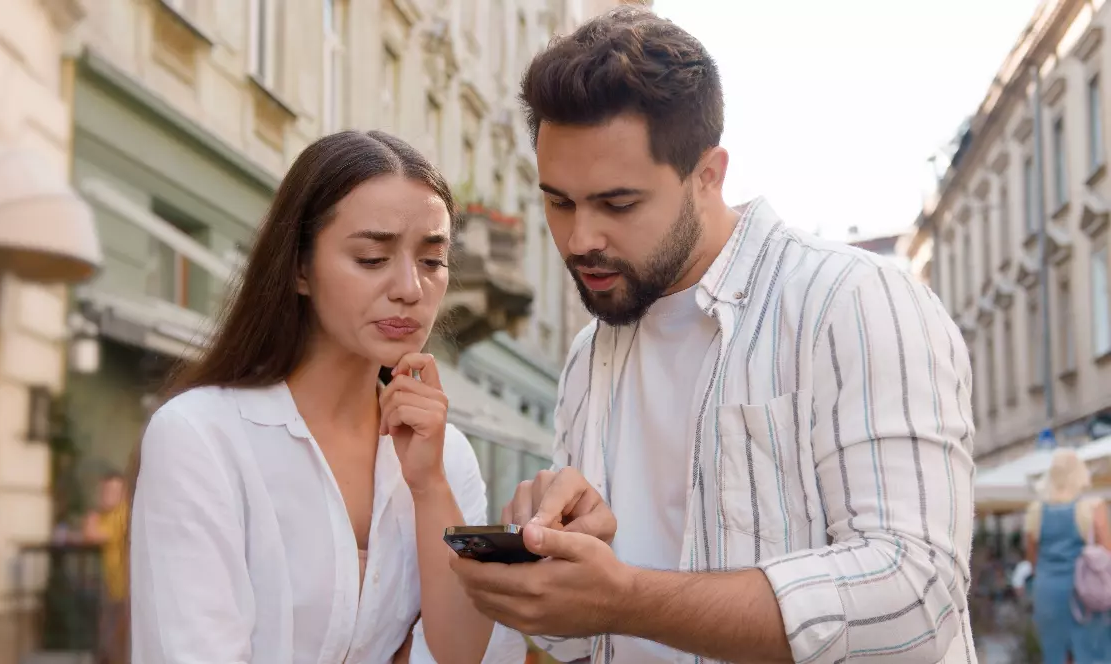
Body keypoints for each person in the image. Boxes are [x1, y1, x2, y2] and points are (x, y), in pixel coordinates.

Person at [450, 7, 976, 663]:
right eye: (559, 202)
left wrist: (625, 598)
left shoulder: (853, 300)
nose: (580, 238)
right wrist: (551, 565)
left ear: (708, 176)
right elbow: (580, 637)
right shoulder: (590, 354)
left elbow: (915, 596)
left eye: (617, 203)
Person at [127, 130, 525, 664]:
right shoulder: (200, 436)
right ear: (300, 268)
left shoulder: (446, 456)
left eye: (432, 261)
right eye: (371, 258)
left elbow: (469, 655)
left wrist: (429, 486)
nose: (410, 288)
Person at [1023, 448, 1111, 664]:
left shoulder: (1035, 510)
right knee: (1091, 652)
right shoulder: (1093, 507)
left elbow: (1032, 557)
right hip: (1086, 592)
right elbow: (1107, 551)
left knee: (1055, 654)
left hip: (1047, 591)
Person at [83, 472, 128, 664]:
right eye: (105, 491)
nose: (107, 496)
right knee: (108, 640)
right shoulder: (107, 516)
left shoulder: (123, 515)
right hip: (112, 589)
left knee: (115, 641)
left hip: (123, 590)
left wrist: (92, 514)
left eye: (113, 491)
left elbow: (91, 535)